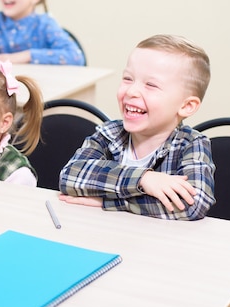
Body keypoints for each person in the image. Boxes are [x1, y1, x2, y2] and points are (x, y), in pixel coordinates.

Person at [59, 34, 216, 221]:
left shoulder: (193, 144)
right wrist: (143, 179)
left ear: (186, 106)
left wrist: (108, 202)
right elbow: (70, 176)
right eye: (127, 79)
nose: (131, 91)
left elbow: (193, 204)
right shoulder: (108, 134)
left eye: (151, 85)